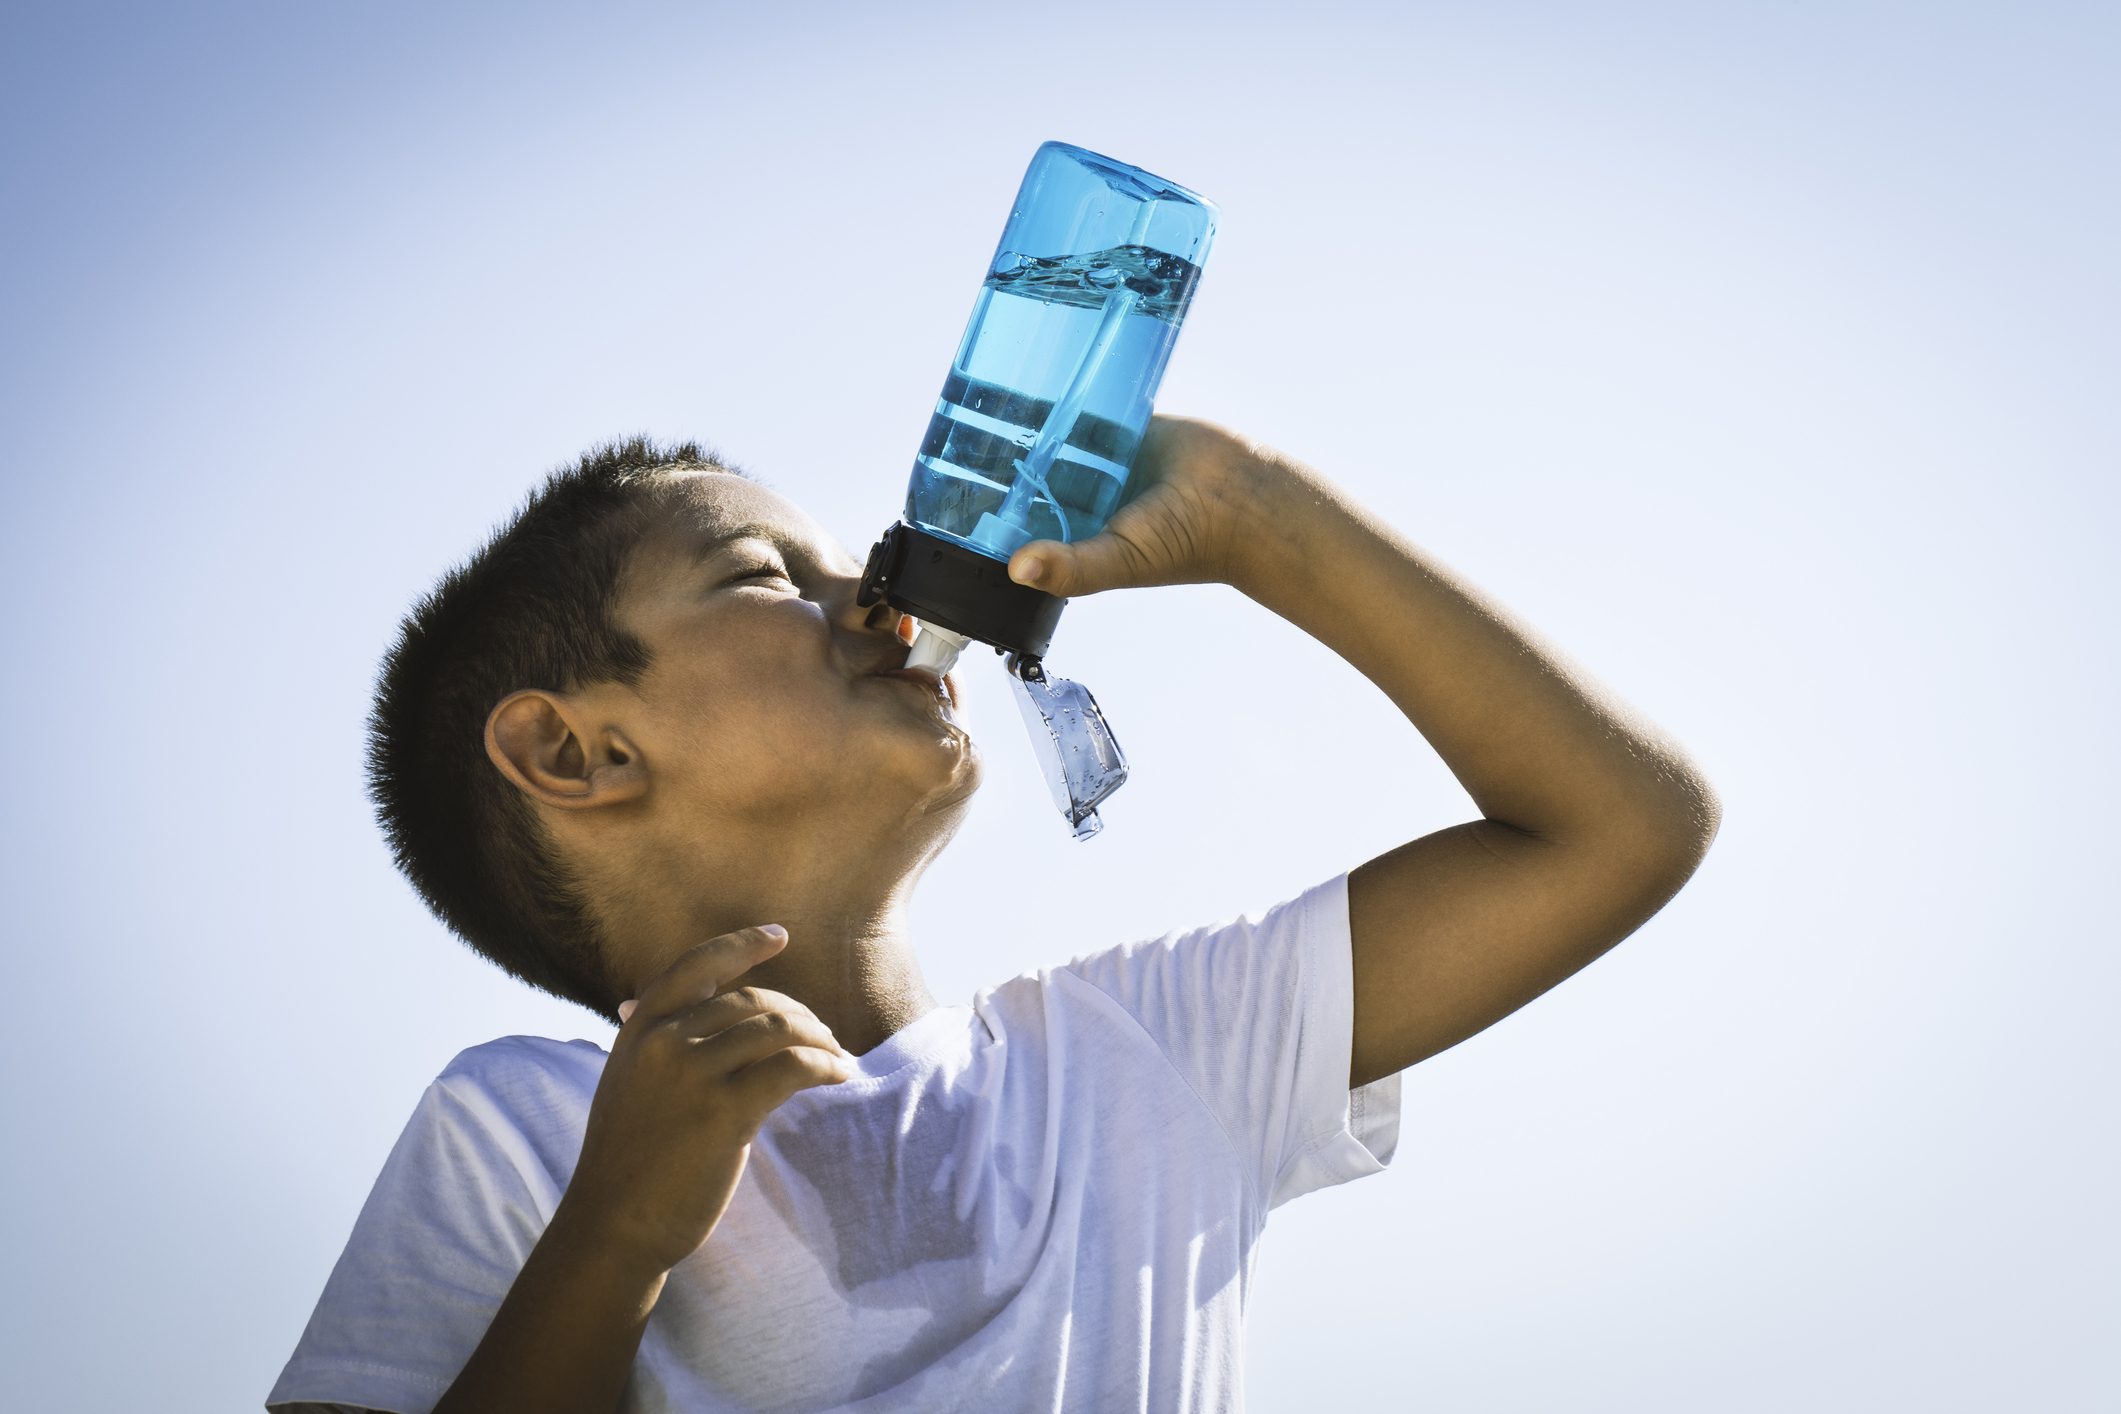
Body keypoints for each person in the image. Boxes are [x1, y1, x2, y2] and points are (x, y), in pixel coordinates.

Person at [265, 414, 1721, 1412]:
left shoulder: (1147, 1055)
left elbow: (1617, 826)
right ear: (577, 751)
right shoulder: (528, 1127)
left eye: (867, 572)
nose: (889, 603)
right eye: (769, 577)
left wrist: (1256, 514)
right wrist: (615, 1235)